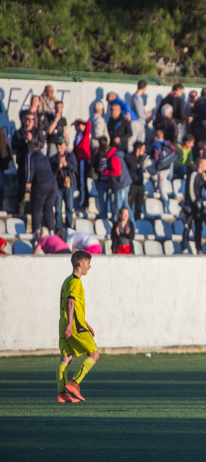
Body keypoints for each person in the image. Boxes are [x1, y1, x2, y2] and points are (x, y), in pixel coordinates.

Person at [57, 251, 99, 403]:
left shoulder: (67, 281)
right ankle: (74, 383)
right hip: (74, 325)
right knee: (94, 355)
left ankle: (61, 394)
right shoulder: (76, 281)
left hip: (64, 323)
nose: (90, 266)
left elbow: (75, 307)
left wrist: (87, 324)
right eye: (88, 263)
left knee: (66, 358)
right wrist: (71, 325)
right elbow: (70, 302)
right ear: (80, 264)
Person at [26, 140, 58, 234]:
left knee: (37, 208)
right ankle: (51, 231)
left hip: (41, 184)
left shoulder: (31, 156)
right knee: (48, 208)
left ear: (30, 148)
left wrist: (28, 182)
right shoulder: (44, 157)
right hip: (53, 184)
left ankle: (36, 231)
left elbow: (29, 169)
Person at [50, 137, 77, 232]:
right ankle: (59, 228)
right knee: (58, 208)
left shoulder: (70, 156)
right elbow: (51, 172)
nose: (59, 146)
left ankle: (69, 227)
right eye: (57, 144)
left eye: (60, 144)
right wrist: (58, 166)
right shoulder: (53, 158)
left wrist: (65, 164)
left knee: (69, 208)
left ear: (65, 145)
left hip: (69, 186)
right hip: (58, 186)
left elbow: (75, 168)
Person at [125, 143, 147, 220]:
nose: (144, 151)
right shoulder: (129, 157)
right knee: (129, 206)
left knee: (139, 208)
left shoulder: (141, 158)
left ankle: (137, 222)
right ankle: (129, 223)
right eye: (143, 149)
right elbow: (135, 167)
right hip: (132, 185)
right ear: (138, 150)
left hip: (140, 185)